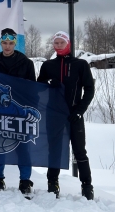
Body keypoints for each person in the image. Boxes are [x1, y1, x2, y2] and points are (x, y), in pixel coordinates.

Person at [37, 31, 95, 200]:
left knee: (79, 151)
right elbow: (38, 86)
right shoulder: (48, 65)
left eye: (62, 42)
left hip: (74, 114)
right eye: (56, 43)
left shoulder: (80, 64)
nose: (59, 45)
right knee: (54, 150)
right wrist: (48, 83)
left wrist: (79, 110)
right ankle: (52, 183)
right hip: (54, 115)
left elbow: (89, 89)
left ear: (68, 44)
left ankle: (87, 186)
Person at [0, 28, 36, 196]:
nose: (7, 46)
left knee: (22, 147)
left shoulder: (26, 63)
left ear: (15, 44)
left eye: (10, 43)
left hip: (18, 112)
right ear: (1, 43)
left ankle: (25, 180)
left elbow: (32, 89)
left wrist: (30, 110)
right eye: (5, 43)